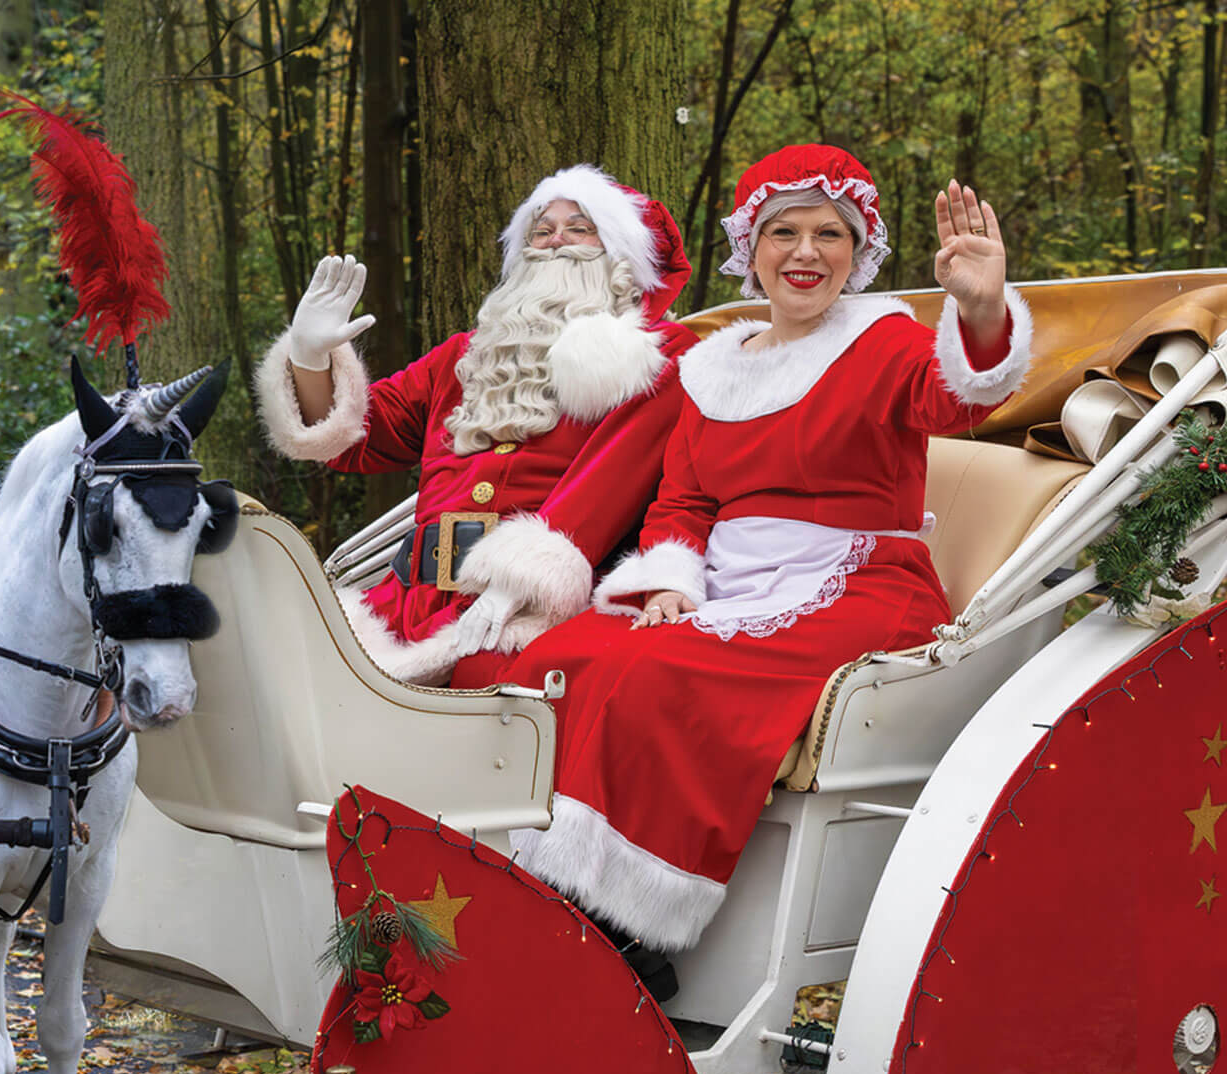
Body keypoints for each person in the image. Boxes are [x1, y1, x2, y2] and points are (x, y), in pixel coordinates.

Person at [452, 145, 1032, 989]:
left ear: (859, 249)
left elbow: (959, 396)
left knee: (660, 675)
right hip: (727, 583)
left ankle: (623, 928)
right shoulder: (712, 365)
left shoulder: (884, 340)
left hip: (859, 583)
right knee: (560, 658)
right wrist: (667, 584)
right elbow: (684, 502)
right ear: (750, 250)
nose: (805, 252)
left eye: (829, 233)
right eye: (782, 232)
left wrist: (980, 310)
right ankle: (536, 889)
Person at [255, 165, 698, 685]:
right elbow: (355, 439)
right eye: (541, 229)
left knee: (486, 676)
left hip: (532, 608)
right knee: (273, 667)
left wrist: (518, 582)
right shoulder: (466, 357)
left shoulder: (656, 357)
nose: (555, 240)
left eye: (579, 228)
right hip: (402, 605)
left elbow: (607, 488)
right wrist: (311, 357)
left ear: (622, 257)